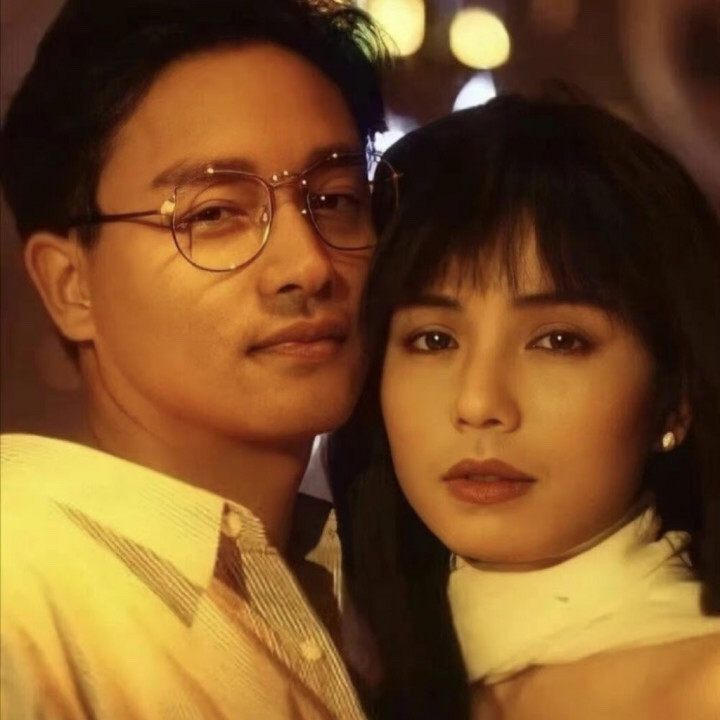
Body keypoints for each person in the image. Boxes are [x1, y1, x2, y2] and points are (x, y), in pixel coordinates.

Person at [0, 0, 395, 717]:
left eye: (336, 199)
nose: (308, 265)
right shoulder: (22, 597)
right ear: (70, 284)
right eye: (213, 214)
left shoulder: (378, 583)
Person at [330, 94, 720, 719]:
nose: (479, 403)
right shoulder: (339, 679)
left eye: (559, 341)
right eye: (433, 340)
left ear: (673, 401)